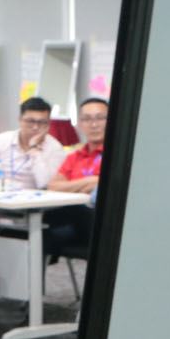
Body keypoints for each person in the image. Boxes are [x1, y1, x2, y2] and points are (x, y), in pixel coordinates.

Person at [47, 97, 108, 259]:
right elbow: (53, 186)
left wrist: (71, 186)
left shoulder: (118, 155)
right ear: (80, 124)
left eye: (100, 118)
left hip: (103, 225)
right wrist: (89, 181)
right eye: (87, 119)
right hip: (73, 221)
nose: (93, 125)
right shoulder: (74, 156)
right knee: (38, 235)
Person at [0, 96, 67, 190]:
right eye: (30, 121)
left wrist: (35, 150)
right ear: (20, 119)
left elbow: (45, 184)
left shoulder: (54, 148)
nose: (36, 127)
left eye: (42, 122)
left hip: (32, 198)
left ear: (48, 123)